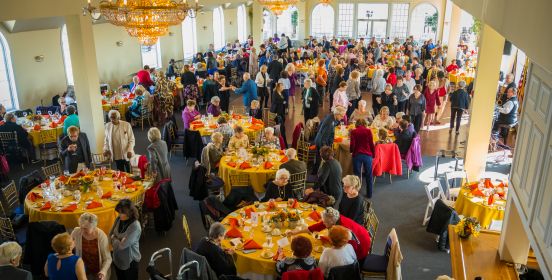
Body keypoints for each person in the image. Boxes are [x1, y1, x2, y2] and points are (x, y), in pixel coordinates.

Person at [289, 207, 371, 262]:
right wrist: (295, 232)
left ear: (331, 222)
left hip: (361, 248)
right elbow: (315, 227)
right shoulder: (335, 218)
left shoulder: (342, 230)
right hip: (363, 234)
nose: (323, 223)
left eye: (324, 222)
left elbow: (350, 247)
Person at [71, 213, 112, 280]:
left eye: (85, 228)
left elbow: (107, 259)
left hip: (98, 270)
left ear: (94, 227)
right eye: (81, 227)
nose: (82, 230)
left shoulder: (101, 236)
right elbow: (68, 245)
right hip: (83, 269)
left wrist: (103, 271)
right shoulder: (76, 231)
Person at [110, 199, 142, 280]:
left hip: (129, 260)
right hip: (117, 258)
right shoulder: (118, 219)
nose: (119, 214)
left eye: (121, 213)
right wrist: (118, 239)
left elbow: (122, 246)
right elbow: (109, 235)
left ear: (129, 213)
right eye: (119, 212)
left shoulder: (135, 226)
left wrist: (114, 238)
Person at [350, 118, 375, 198]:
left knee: (356, 175)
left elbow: (352, 145)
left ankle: (356, 193)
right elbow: (371, 144)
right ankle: (369, 194)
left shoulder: (353, 132)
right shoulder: (368, 131)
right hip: (367, 155)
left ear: (356, 124)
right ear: (365, 124)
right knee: (369, 175)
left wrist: (351, 151)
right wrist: (373, 155)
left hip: (357, 155)